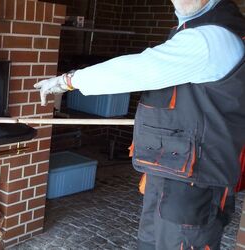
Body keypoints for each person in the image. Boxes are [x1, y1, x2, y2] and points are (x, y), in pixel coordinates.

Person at [34, 0, 245, 249]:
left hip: (195, 179)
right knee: (149, 242)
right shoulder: (191, 28)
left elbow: (143, 68)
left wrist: (69, 81)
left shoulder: (211, 36)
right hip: (175, 168)